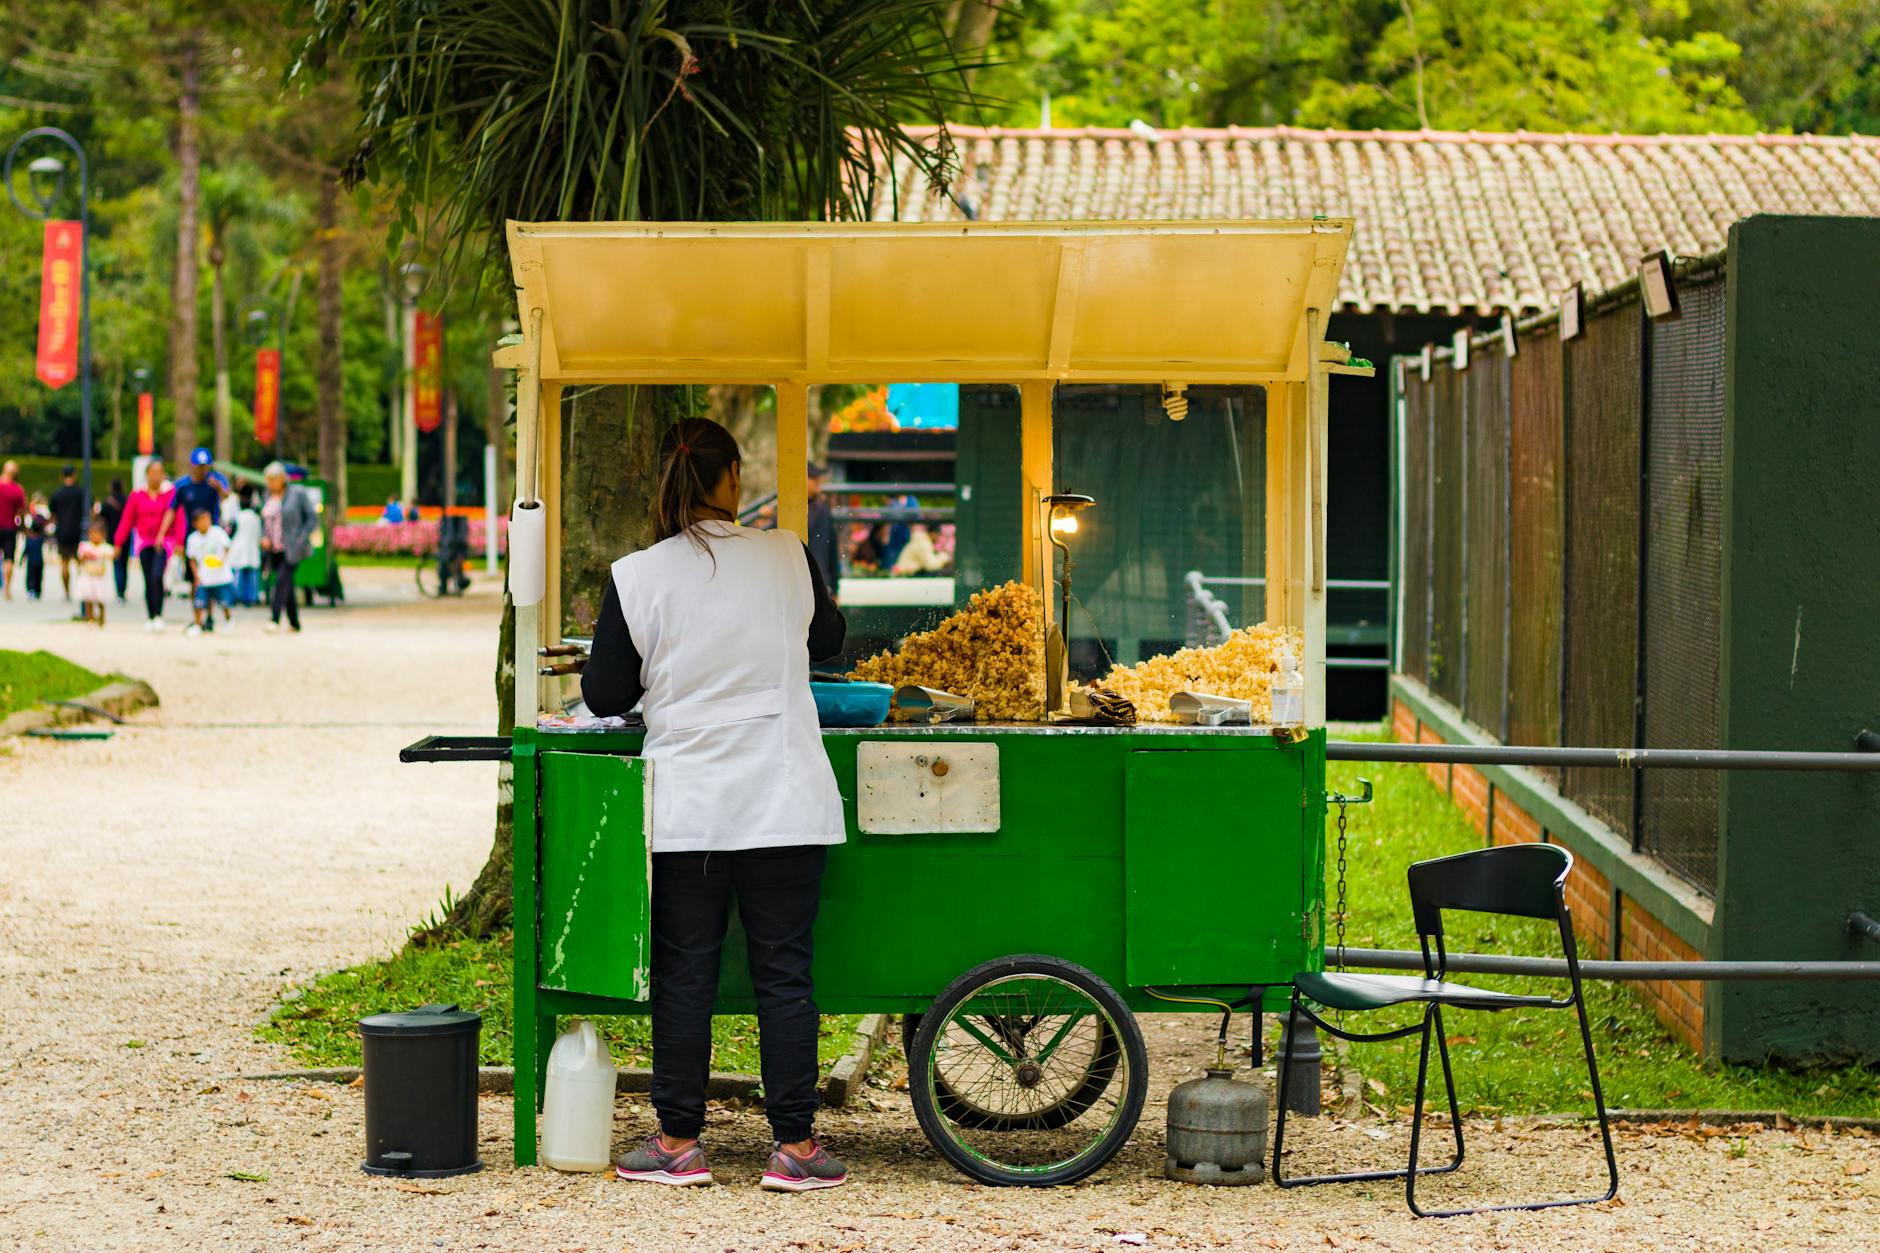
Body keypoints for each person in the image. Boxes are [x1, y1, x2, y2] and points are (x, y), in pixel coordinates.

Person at [582, 418, 849, 1193]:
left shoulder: (638, 574)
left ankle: (677, 1141)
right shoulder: (787, 553)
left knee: (686, 974)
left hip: (689, 806)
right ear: (732, 476)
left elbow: (603, 692)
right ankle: (795, 1147)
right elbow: (829, 638)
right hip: (784, 797)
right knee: (785, 974)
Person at [116, 458, 178, 631]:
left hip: (163, 541)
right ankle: (150, 615)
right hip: (144, 541)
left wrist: (179, 541)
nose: (156, 476)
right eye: (153, 472)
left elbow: (176, 515)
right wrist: (118, 542)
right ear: (147, 474)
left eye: (160, 472)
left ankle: (159, 614)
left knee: (157, 576)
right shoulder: (137, 495)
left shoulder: (170, 492)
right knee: (147, 578)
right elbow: (127, 520)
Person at [260, 461, 315, 633]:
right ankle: (294, 622)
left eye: (274, 479)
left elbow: (312, 519)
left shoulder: (297, 493)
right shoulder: (267, 495)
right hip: (274, 548)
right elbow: (266, 520)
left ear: (283, 479)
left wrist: (301, 537)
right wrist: (264, 537)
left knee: (281, 581)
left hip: (292, 548)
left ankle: (274, 618)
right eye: (268, 480)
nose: (271, 483)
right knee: (287, 585)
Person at [172, 448, 224, 595]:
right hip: (192, 534)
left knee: (211, 574)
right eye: (199, 465)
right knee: (194, 574)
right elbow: (173, 510)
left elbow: (227, 497)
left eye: (205, 465)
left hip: (212, 532)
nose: (202, 469)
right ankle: (197, 610)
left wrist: (219, 489)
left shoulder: (215, 481)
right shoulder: (183, 485)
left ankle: (209, 611)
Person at [183, 509, 234, 636]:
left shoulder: (217, 533)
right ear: (195, 523)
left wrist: (222, 560)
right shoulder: (193, 539)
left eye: (208, 519)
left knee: (224, 602)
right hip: (204, 576)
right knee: (199, 602)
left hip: (220, 576)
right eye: (203, 520)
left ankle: (228, 621)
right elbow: (192, 559)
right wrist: (196, 575)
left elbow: (227, 546)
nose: (206, 522)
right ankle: (198, 623)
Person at [48, 465, 85, 602]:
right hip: (78, 530)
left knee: (64, 562)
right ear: (74, 474)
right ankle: (82, 588)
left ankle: (67, 591)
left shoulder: (57, 494)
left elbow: (52, 514)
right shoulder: (81, 492)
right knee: (80, 562)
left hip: (62, 531)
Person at [74, 520, 114, 628]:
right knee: (89, 599)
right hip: (87, 576)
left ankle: (101, 617)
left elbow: (112, 555)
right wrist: (84, 557)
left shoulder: (104, 548)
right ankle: (90, 617)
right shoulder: (85, 546)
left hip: (99, 577)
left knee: (100, 598)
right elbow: (79, 559)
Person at [805, 463, 839, 588]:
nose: (817, 481)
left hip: (819, 581)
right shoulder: (822, 509)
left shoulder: (823, 509)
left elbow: (832, 549)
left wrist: (835, 586)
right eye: (813, 478)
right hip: (812, 579)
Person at [228, 487, 263, 607]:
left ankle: (235, 597)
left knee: (238, 575)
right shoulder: (256, 517)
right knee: (251, 576)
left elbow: (231, 533)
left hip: (239, 548)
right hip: (252, 549)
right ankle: (251, 598)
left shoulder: (238, 517)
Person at [97, 478, 129, 603]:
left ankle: (119, 592)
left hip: (113, 536)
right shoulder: (127, 500)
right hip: (127, 536)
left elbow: (101, 519)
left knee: (117, 564)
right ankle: (123, 588)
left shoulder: (108, 502)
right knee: (125, 564)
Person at [0, 460, 25, 599]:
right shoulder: (17, 489)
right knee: (9, 559)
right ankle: (7, 589)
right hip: (9, 527)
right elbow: (20, 512)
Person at [21, 494, 50, 599]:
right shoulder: (41, 540)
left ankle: (32, 590)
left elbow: (25, 550)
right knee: (38, 576)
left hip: (31, 562)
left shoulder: (30, 540)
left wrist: (22, 559)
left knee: (31, 577)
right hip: (39, 561)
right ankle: (37, 590)